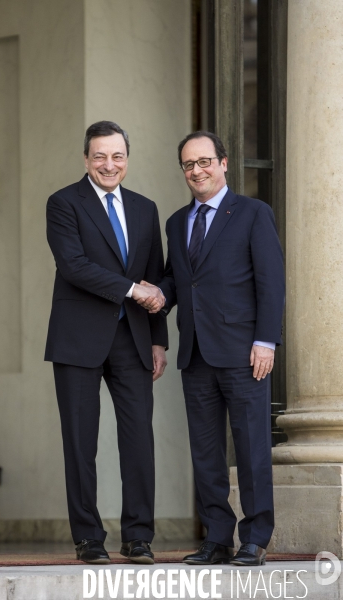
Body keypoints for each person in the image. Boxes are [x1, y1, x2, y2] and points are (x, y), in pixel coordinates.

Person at [139, 131, 285, 567]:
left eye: (204, 161)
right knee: (205, 453)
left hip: (245, 353)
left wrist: (265, 340)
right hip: (196, 355)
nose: (197, 170)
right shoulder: (176, 223)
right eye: (188, 165)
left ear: (223, 164)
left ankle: (256, 537)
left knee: (252, 446)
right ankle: (217, 537)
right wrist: (156, 294)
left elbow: (271, 282)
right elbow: (179, 281)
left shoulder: (254, 213)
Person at [45, 121, 167, 565]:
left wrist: (158, 341)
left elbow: (155, 275)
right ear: (85, 159)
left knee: (139, 440)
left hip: (133, 339)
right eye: (100, 156)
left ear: (127, 160)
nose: (108, 164)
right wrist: (133, 290)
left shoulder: (145, 208)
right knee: (80, 442)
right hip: (77, 340)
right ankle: (88, 538)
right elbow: (74, 266)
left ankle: (138, 537)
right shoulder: (63, 203)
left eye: (117, 156)